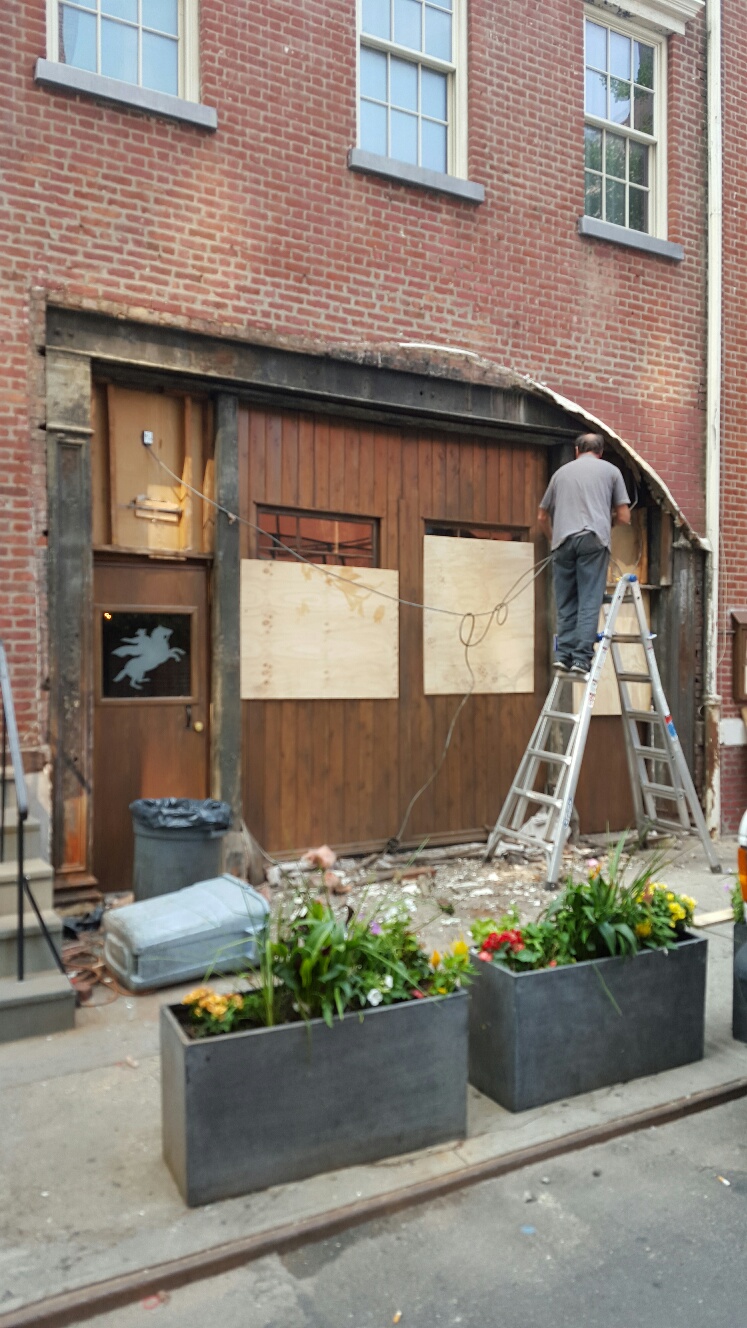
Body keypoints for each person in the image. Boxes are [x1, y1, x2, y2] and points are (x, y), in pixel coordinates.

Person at [537, 433, 631, 678]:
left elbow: (542, 516)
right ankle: (580, 659)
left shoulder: (560, 474)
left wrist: (553, 539)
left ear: (576, 450)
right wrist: (603, 521)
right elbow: (624, 516)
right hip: (593, 540)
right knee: (589, 599)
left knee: (566, 602)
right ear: (600, 452)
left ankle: (563, 656)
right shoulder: (611, 472)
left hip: (563, 543)